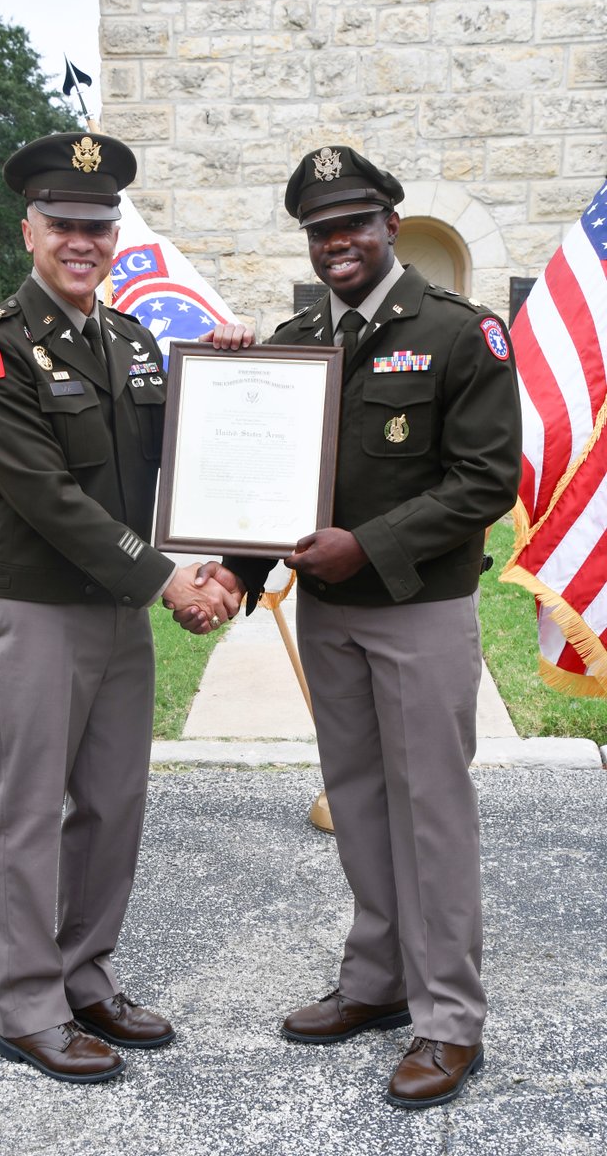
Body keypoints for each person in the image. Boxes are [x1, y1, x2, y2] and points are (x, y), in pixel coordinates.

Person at [187, 144, 522, 1108]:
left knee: (432, 814)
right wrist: (232, 572)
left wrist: (365, 547)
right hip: (330, 617)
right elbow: (272, 490)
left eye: (354, 223)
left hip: (417, 612)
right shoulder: (295, 342)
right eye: (320, 228)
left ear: (389, 224)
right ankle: (377, 981)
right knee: (362, 806)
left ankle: (451, 1020)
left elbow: (485, 480)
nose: (338, 241)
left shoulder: (461, 335)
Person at [0, 131, 242, 1085]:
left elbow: (187, 458)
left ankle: (85, 974)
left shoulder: (131, 341)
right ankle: (28, 1005)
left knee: (112, 806)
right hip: (36, 612)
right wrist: (167, 581)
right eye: (65, 224)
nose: (84, 241)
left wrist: (235, 373)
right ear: (28, 229)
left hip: (119, 615)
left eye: (98, 227)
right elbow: (43, 496)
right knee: (28, 812)